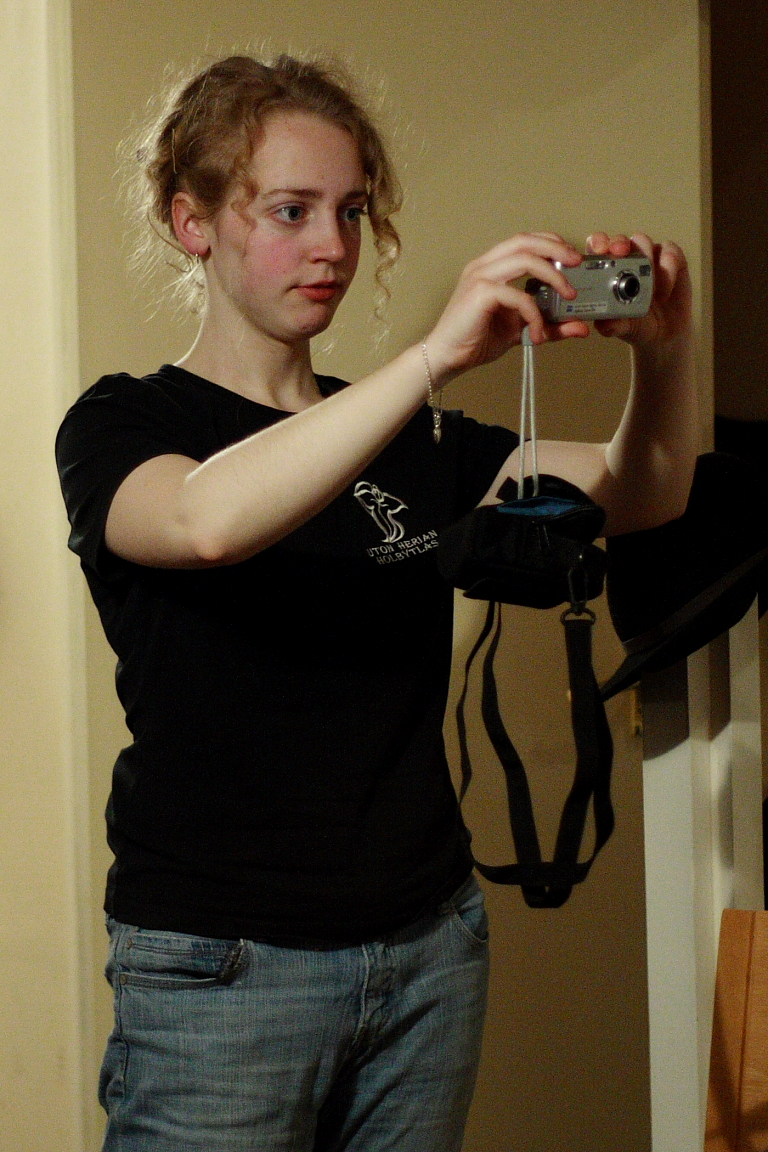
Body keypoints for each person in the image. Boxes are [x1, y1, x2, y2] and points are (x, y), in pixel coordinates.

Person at [56, 53, 697, 1152]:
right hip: (222, 966)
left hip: (427, 953)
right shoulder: (124, 421)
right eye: (291, 210)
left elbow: (649, 492)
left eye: (351, 211)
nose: (333, 247)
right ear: (191, 222)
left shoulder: (419, 437)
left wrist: (666, 351)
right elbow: (205, 523)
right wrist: (434, 356)